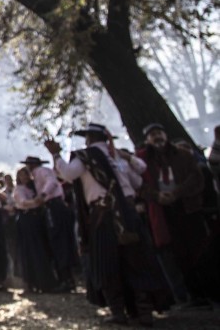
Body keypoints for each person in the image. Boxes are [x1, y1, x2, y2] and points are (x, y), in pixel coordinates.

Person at [46, 123, 169, 326]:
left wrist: (56, 155)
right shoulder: (118, 157)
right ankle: (143, 311)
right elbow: (138, 180)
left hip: (104, 216)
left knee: (108, 264)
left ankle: (119, 312)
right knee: (137, 262)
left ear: (90, 138)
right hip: (128, 213)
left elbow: (67, 174)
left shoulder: (87, 156)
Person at [136, 123, 216, 306]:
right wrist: (157, 196)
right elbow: (139, 185)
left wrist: (177, 193)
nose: (157, 137)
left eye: (159, 133)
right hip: (164, 212)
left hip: (188, 207)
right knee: (179, 254)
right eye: (152, 135)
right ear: (147, 139)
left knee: (200, 250)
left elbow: (196, 178)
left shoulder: (183, 155)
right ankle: (193, 295)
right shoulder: (143, 160)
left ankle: (210, 292)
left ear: (165, 135)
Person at [21, 154, 78, 290]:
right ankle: (65, 278)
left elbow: (51, 182)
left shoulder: (41, 172)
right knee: (56, 241)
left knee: (59, 241)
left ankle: (67, 279)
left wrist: (43, 195)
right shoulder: (37, 175)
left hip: (53, 206)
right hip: (50, 207)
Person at [12, 167, 61, 294]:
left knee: (40, 249)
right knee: (32, 250)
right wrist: (37, 202)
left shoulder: (33, 188)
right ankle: (32, 282)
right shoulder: (18, 190)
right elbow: (23, 202)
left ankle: (43, 281)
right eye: (22, 176)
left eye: (26, 175)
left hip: (36, 220)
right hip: (27, 220)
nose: (25, 178)